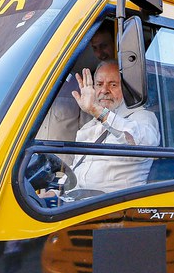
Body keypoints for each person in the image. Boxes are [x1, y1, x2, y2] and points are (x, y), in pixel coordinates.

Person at [46, 60, 160, 198]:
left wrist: (97, 111)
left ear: (126, 88)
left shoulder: (142, 116)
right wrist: (55, 193)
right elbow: (77, 172)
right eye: (99, 84)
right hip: (76, 205)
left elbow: (141, 141)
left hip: (111, 208)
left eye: (113, 84)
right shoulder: (90, 126)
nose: (104, 90)